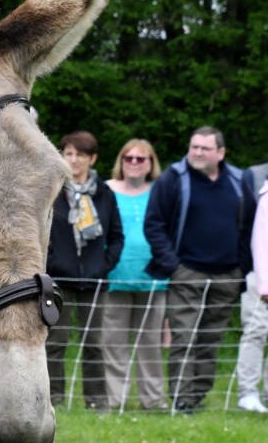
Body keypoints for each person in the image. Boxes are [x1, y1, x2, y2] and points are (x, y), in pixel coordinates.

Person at [144, 125, 247, 414]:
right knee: (184, 336)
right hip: (187, 272)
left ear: (221, 152)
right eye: (194, 147)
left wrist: (242, 268)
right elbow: (154, 224)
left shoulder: (239, 181)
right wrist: (173, 266)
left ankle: (199, 395)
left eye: (205, 148)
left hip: (227, 274)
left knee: (210, 339)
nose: (197, 153)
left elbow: (250, 226)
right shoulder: (174, 179)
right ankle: (181, 399)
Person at [46, 131, 124, 410]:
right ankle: (54, 399)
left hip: (93, 280)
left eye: (79, 154)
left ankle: (95, 401)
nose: (73, 159)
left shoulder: (104, 194)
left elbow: (116, 236)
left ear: (92, 159)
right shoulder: (52, 190)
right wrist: (52, 263)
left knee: (93, 343)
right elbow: (40, 233)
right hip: (59, 279)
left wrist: (103, 266)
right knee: (55, 342)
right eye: (68, 153)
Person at [100, 140, 167, 411]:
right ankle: (116, 400)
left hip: (153, 279)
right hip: (115, 278)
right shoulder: (106, 190)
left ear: (151, 163)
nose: (135, 163)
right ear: (121, 161)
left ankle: (153, 400)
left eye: (142, 159)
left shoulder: (161, 192)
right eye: (129, 158)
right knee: (113, 344)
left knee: (150, 344)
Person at [236, 162, 268, 413]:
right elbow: (256, 238)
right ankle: (247, 392)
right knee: (255, 330)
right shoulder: (261, 184)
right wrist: (262, 281)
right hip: (260, 275)